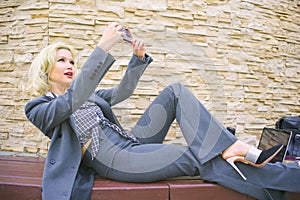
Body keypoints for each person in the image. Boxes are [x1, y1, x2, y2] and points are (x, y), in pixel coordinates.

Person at [25, 22, 300, 200]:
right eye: (61, 60)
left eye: (72, 59)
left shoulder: (90, 97)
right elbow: (70, 102)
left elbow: (121, 93)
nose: (69, 64)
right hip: (112, 158)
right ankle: (284, 181)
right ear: (46, 69)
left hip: (130, 143)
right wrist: (104, 46)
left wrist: (137, 61)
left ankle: (234, 150)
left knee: (176, 91)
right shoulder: (39, 107)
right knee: (196, 156)